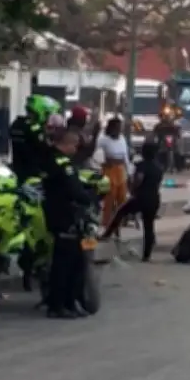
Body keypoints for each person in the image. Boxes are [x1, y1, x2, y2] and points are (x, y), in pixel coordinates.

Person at [43, 130, 96, 319]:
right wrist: (88, 197)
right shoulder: (62, 164)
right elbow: (73, 189)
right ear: (65, 144)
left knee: (75, 261)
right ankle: (58, 305)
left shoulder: (54, 160)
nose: (75, 149)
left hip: (64, 216)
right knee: (64, 264)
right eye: (74, 145)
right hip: (63, 217)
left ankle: (70, 301)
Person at [100, 144, 164, 261]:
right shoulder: (159, 167)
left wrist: (133, 189)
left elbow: (139, 179)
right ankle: (146, 255)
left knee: (121, 212)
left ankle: (107, 234)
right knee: (148, 226)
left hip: (141, 197)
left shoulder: (142, 166)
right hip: (154, 198)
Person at [9, 95, 60, 184]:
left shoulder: (16, 124)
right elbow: (46, 150)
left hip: (18, 170)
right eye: (47, 114)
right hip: (34, 175)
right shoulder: (34, 128)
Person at [97, 117, 132, 228]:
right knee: (109, 197)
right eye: (116, 128)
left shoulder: (122, 138)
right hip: (109, 170)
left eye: (119, 128)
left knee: (122, 197)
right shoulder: (103, 139)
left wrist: (129, 171)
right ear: (111, 128)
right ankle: (106, 222)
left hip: (120, 169)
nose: (118, 130)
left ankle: (121, 220)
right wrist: (102, 163)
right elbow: (96, 154)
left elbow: (125, 156)